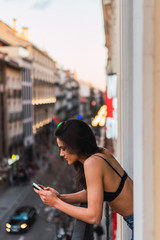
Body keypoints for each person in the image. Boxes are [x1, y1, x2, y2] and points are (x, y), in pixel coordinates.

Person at [34, 119, 134, 239]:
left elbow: (94, 217)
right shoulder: (101, 153)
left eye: (64, 148)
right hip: (140, 214)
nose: (61, 154)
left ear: (76, 144)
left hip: (139, 219)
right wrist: (60, 197)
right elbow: (93, 193)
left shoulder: (92, 163)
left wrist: (55, 203)